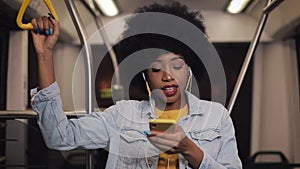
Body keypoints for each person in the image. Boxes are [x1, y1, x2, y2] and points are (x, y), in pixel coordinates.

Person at [30, 2, 242, 169]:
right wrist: (45, 55)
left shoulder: (216, 117)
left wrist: (189, 149)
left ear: (190, 68)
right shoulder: (121, 116)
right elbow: (59, 136)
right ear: (145, 75)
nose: (168, 76)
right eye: (156, 68)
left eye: (177, 65)